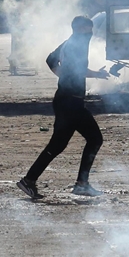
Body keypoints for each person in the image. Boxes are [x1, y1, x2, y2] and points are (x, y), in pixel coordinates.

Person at [17, 15, 110, 199]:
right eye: (87, 30)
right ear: (77, 29)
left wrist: (63, 78)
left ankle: (29, 180)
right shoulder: (77, 45)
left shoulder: (69, 42)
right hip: (70, 104)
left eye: (91, 30)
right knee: (95, 139)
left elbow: (50, 59)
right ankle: (81, 184)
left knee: (58, 144)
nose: (90, 33)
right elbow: (77, 69)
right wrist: (97, 74)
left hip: (67, 100)